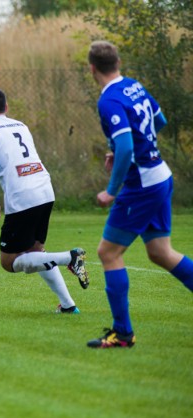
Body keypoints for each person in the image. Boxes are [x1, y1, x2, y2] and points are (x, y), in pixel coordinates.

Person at [86, 41, 193, 348]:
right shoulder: (134, 86)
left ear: (92, 68)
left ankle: (122, 333)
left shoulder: (108, 100)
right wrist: (126, 149)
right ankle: (122, 331)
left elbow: (127, 146)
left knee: (108, 253)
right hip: (160, 175)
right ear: (117, 62)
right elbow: (159, 121)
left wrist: (111, 191)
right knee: (161, 252)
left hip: (142, 185)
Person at [0, 89, 89, 314]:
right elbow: (16, 162)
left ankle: (70, 258)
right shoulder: (20, 126)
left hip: (23, 198)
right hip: (44, 190)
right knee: (36, 251)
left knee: (9, 262)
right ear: (7, 107)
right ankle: (68, 305)